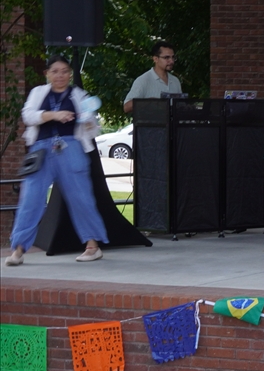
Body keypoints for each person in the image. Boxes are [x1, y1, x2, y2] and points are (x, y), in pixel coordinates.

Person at [5, 55, 107, 266]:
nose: (60, 75)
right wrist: (54, 115)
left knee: (81, 197)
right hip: (41, 149)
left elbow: (92, 128)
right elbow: (28, 116)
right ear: (47, 74)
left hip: (71, 148)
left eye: (64, 71)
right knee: (30, 198)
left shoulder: (79, 95)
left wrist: (88, 121)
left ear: (70, 73)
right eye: (55, 71)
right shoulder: (38, 92)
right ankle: (18, 249)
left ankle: (92, 246)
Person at [123, 41, 182, 113]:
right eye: (166, 57)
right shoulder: (143, 80)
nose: (171, 61)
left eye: (173, 57)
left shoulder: (175, 81)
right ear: (155, 59)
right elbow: (126, 107)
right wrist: (149, 102)